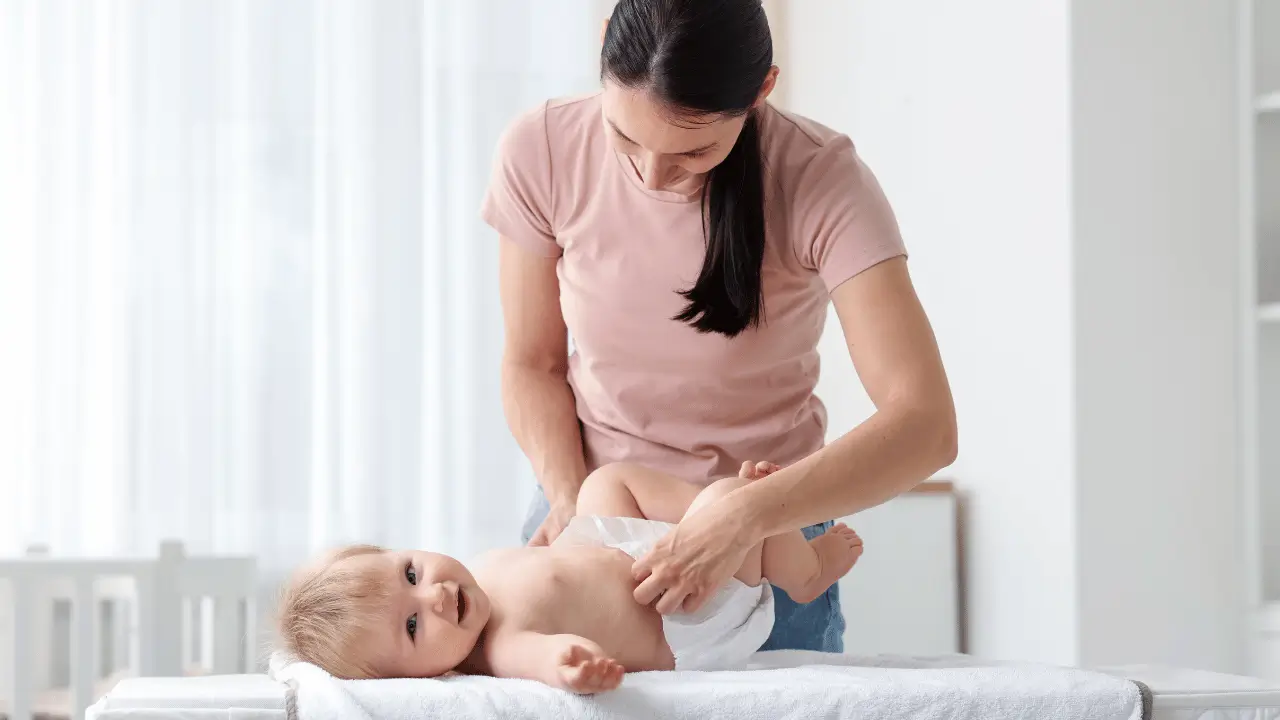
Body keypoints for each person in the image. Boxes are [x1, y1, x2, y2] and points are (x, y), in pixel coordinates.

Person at [482, 0, 956, 653]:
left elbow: (925, 425)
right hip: (593, 517)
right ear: (601, 51)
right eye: (625, 138)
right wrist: (571, 507)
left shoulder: (822, 178)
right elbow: (531, 364)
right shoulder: (541, 148)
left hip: (767, 545)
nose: (652, 174)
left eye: (693, 150)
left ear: (762, 91)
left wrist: (744, 515)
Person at [275, 462, 864, 692]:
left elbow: (553, 569)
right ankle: (806, 571)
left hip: (623, 554)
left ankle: (702, 523)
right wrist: (575, 666)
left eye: (410, 571)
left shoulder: (477, 576)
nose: (434, 594)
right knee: (733, 500)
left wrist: (562, 540)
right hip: (685, 617)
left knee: (604, 483)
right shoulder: (502, 648)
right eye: (411, 625)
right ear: (430, 675)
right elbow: (551, 654)